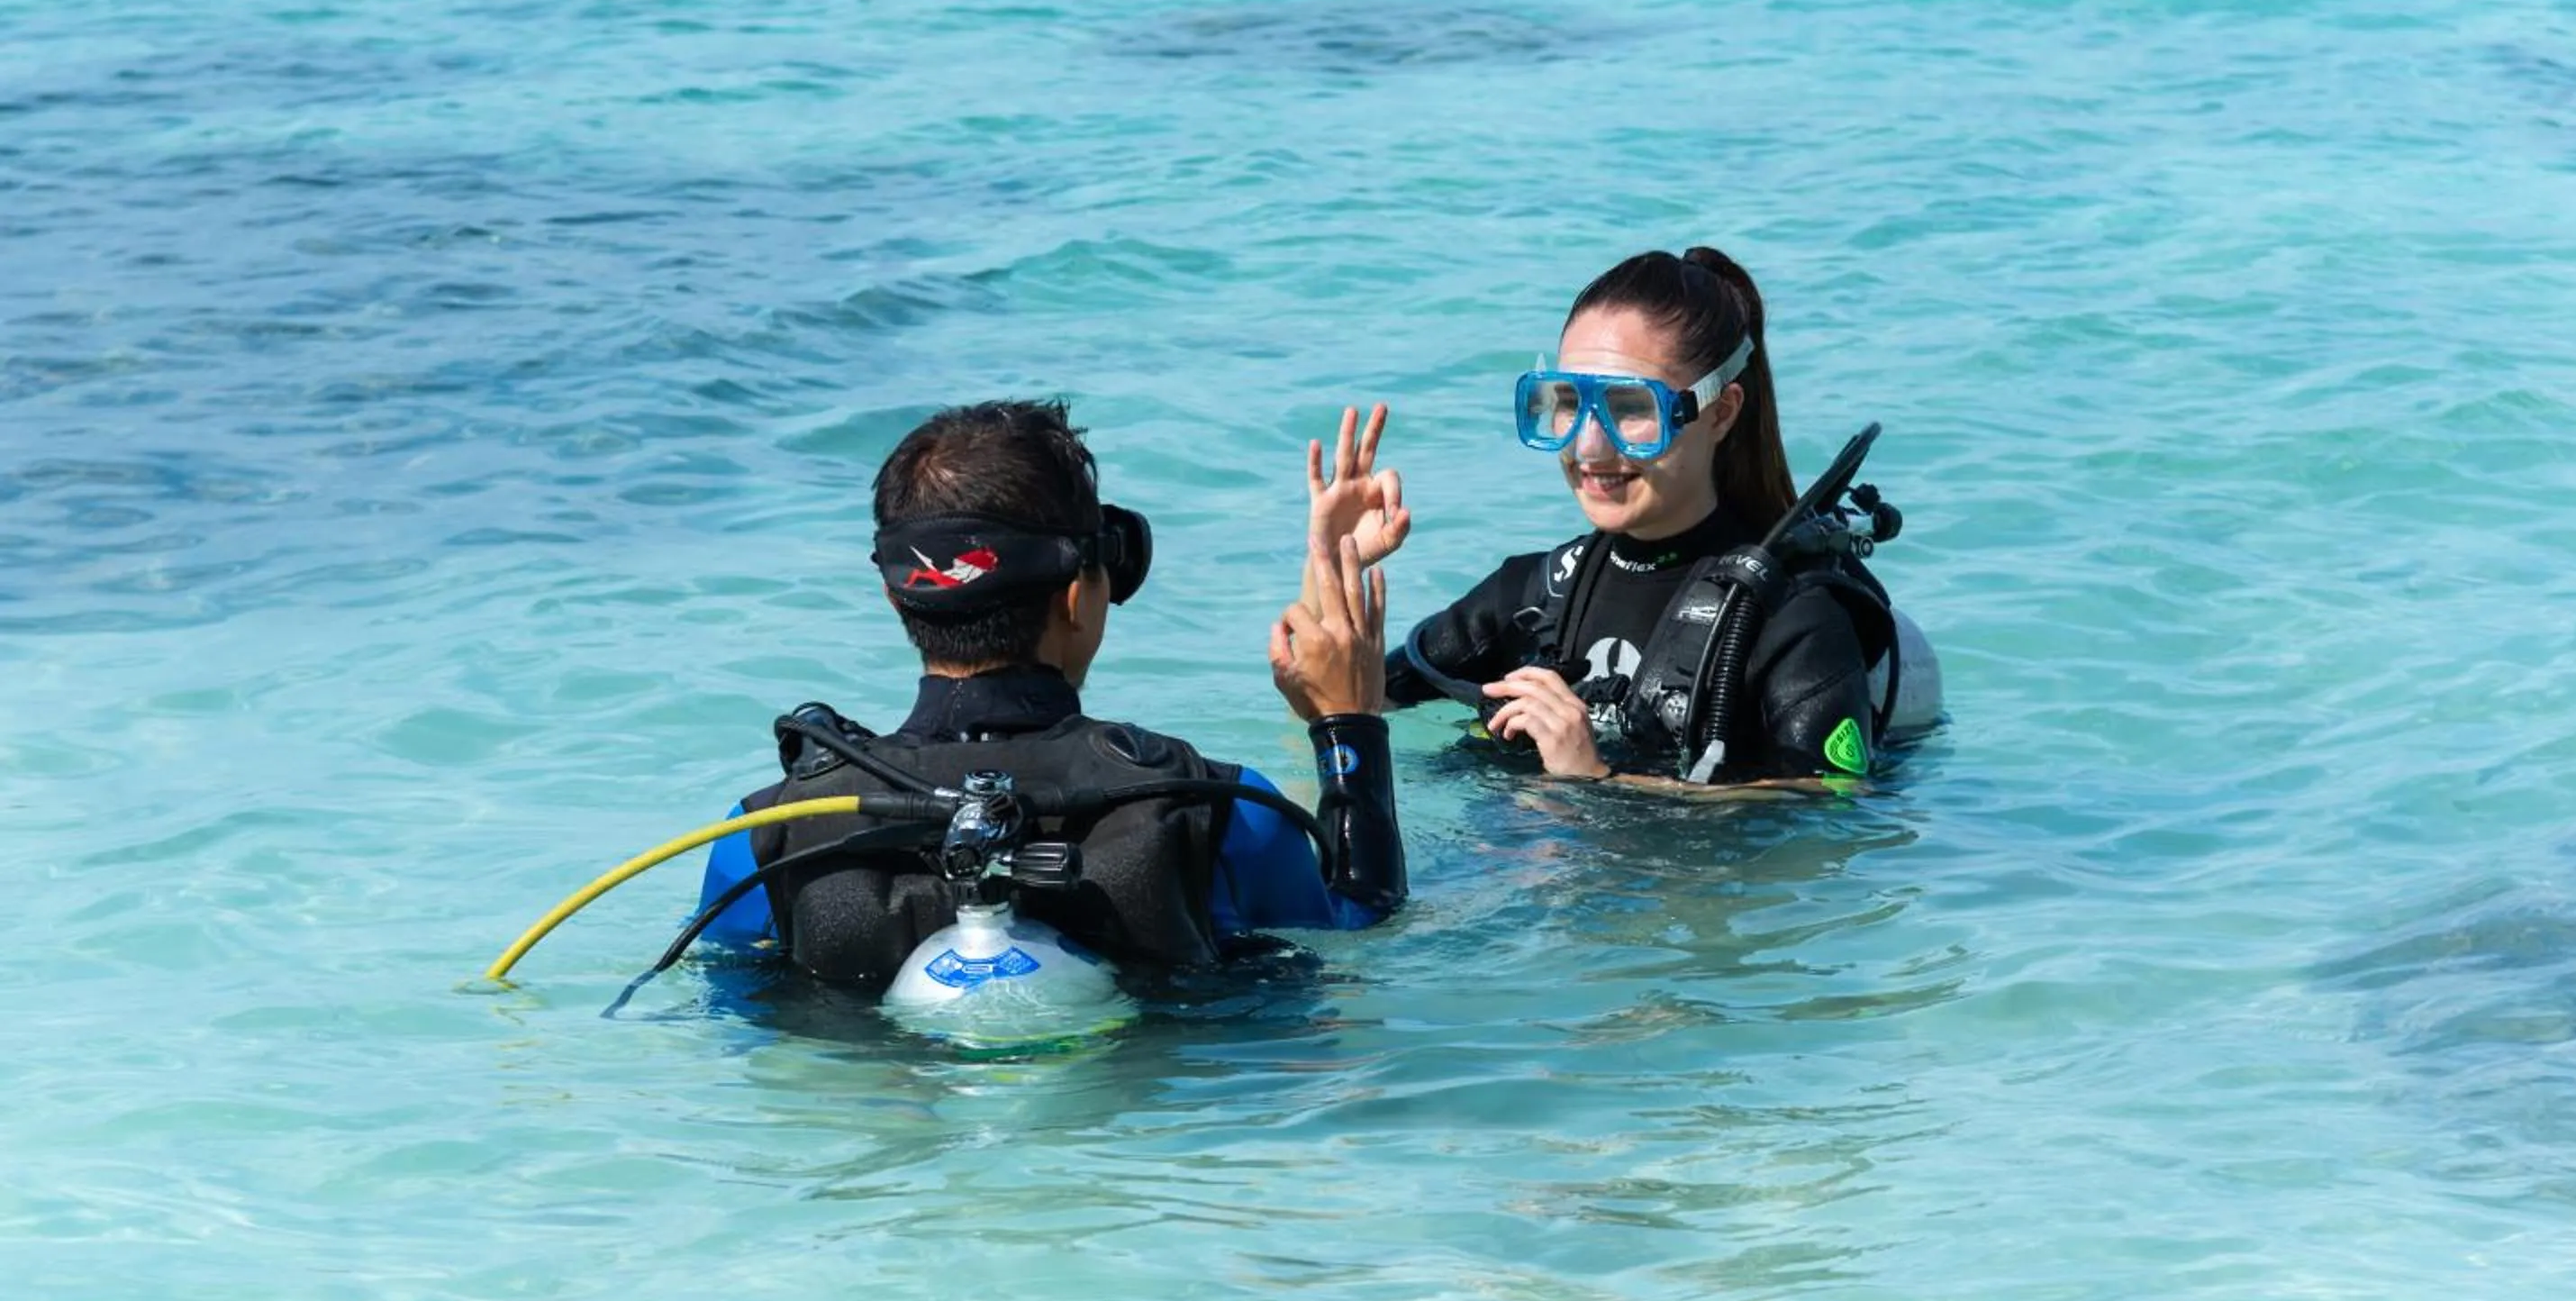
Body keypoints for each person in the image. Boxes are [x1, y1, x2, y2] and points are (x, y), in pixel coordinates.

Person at [694, 398, 1404, 995]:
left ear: (895, 595)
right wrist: (1349, 727)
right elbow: (1361, 940)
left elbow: (738, 1015)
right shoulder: (1218, 810)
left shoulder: (769, 834)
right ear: (1077, 595)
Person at [1303, 246, 1937, 790]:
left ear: (1719, 412)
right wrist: (1333, 563)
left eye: (1631, 408)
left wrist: (1595, 779)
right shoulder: (1535, 593)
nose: (1588, 447)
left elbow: (1826, 818)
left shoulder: (1792, 618)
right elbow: (1347, 707)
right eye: (1567, 403)